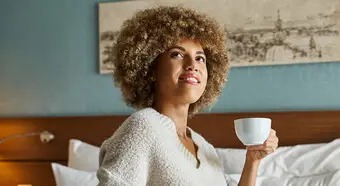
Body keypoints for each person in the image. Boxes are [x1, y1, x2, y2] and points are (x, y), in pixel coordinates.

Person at [96, 6, 279, 186]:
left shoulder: (205, 147)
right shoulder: (142, 128)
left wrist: (252, 160)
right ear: (151, 68)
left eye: (200, 58)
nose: (193, 64)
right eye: (177, 54)